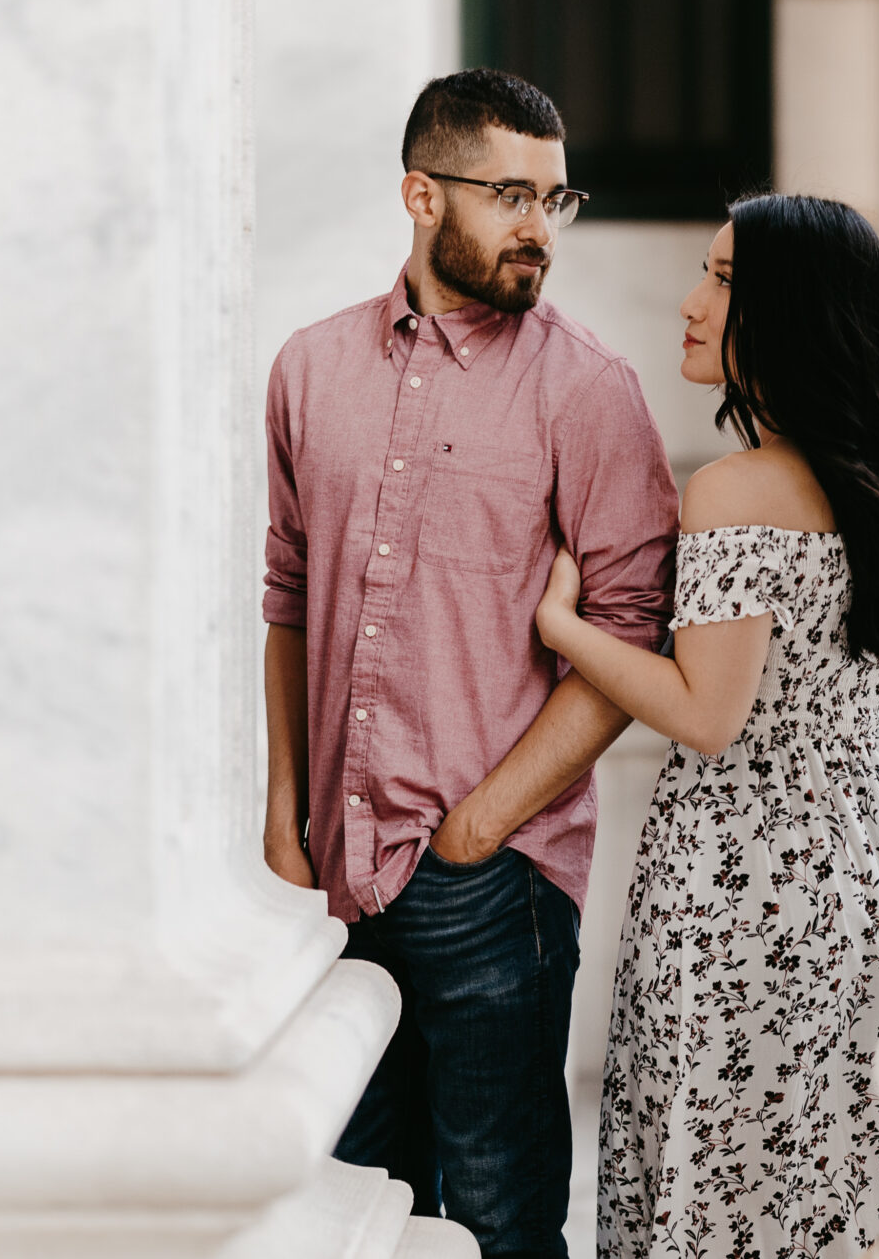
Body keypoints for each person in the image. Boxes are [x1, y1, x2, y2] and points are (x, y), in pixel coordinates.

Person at [261, 69, 681, 1258]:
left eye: (557, 198)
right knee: (358, 1212)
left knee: (502, 1222)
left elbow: (635, 628)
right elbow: (287, 600)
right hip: (335, 878)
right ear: (420, 194)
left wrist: (482, 823)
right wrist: (284, 812)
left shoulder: (587, 391)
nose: (540, 227)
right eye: (509, 195)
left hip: (490, 884)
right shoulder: (305, 369)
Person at [532, 193, 879, 1259]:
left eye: (725, 278)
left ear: (793, 308)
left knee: (725, 1193)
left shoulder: (734, 489)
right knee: (838, 1191)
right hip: (871, 877)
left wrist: (563, 624)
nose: (692, 301)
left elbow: (705, 713)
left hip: (746, 891)